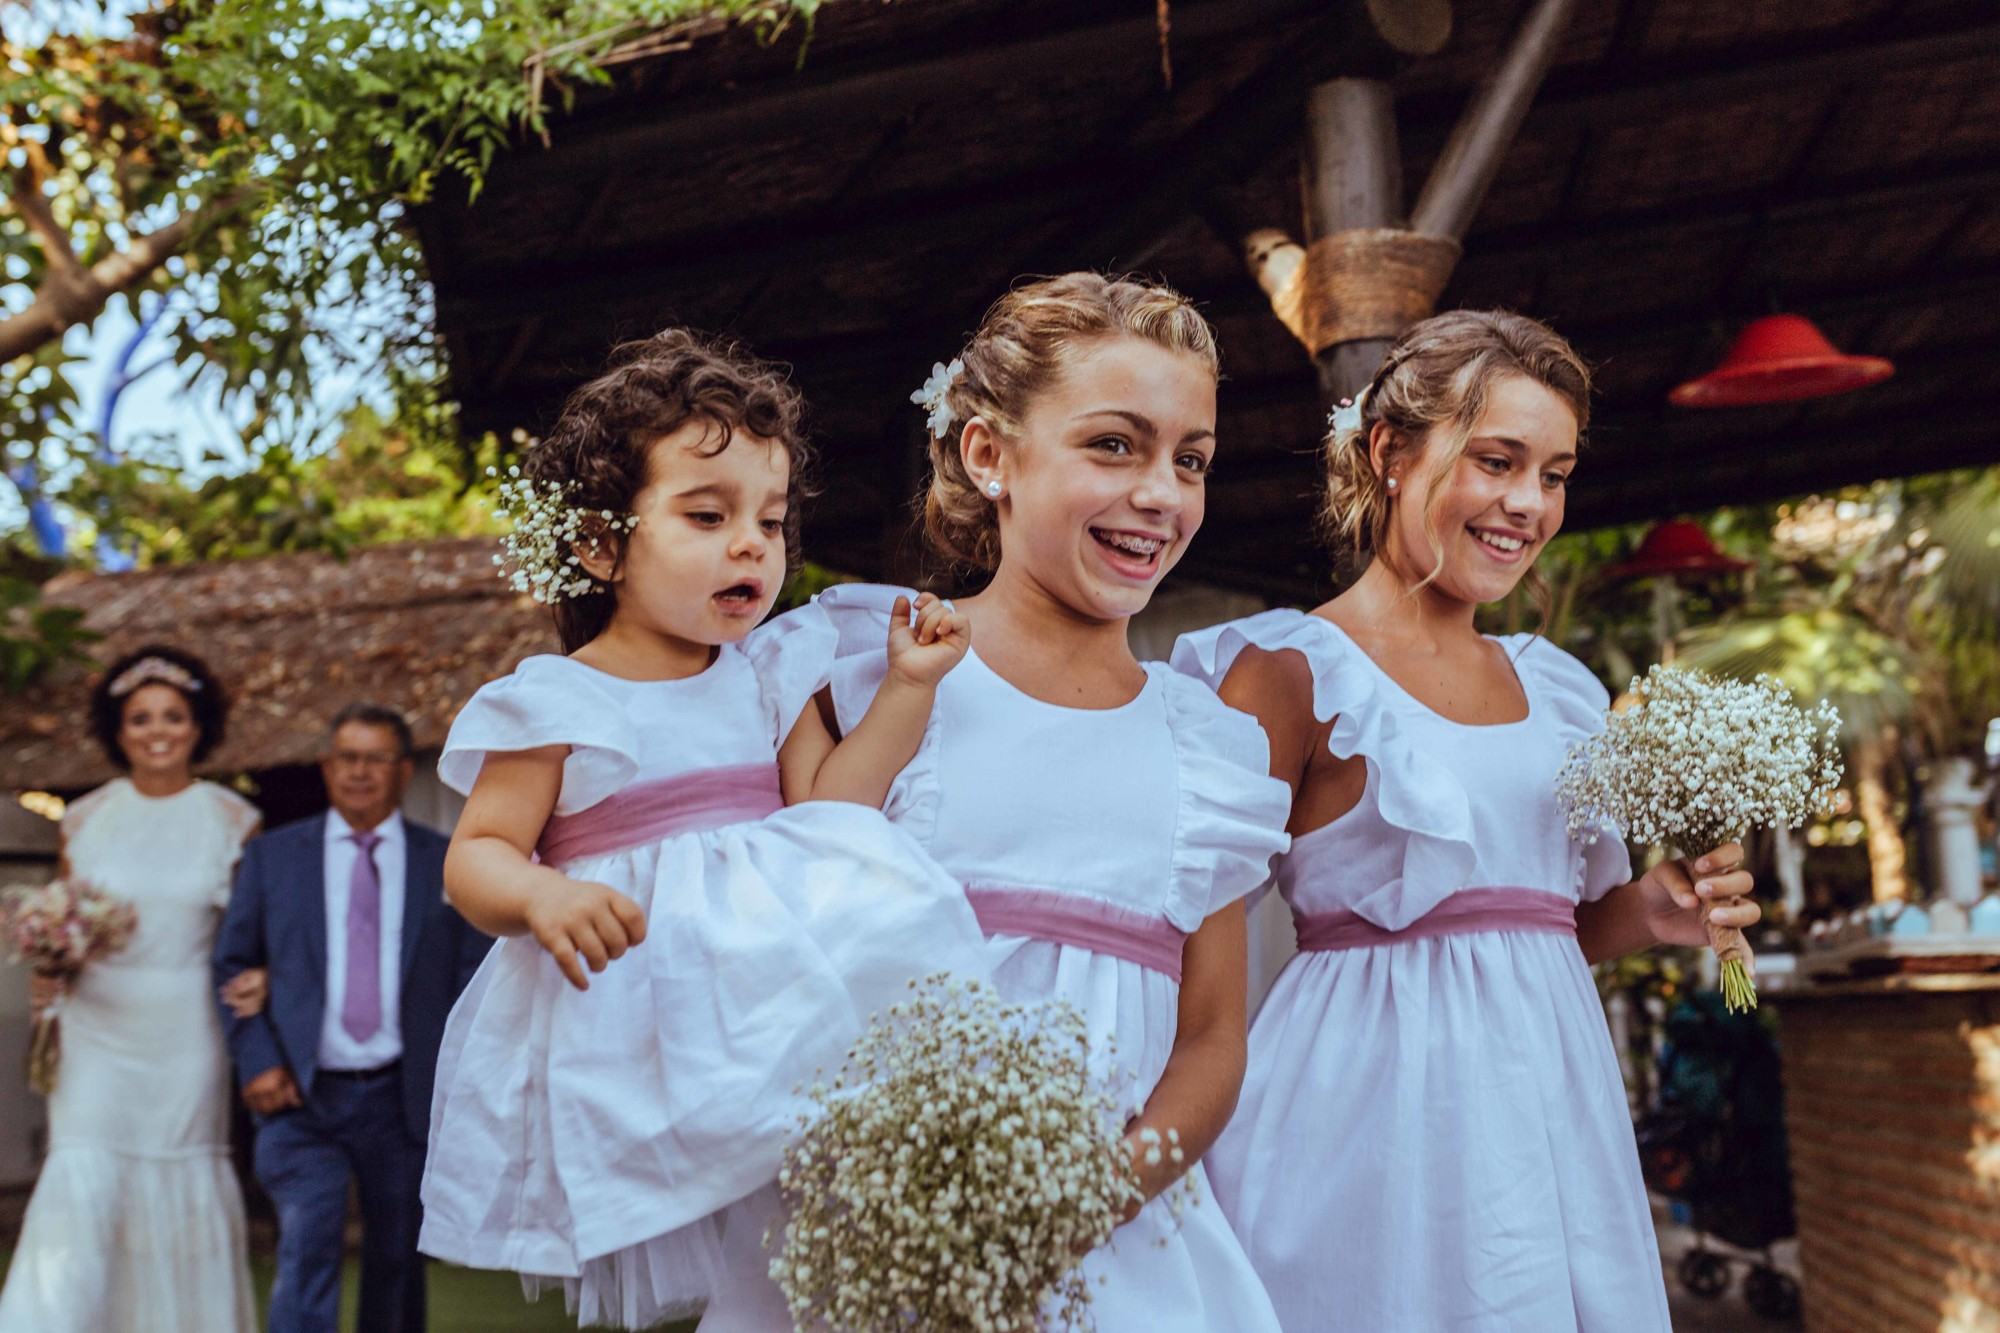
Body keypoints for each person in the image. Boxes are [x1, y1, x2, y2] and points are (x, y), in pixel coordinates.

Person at [700, 273, 1294, 1331]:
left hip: (1116, 1254)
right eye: (1113, 444)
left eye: (1189, 459)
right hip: (877, 1232)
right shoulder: (857, 669)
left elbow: (1211, 1036)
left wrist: (1072, 1206)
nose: (1160, 492)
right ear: (989, 455)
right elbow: (786, 955)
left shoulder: (1206, 751)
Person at [1173, 309, 1763, 1331]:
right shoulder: (1287, 672)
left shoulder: (1559, 690)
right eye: (1497, 460)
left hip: (1552, 1114)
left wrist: (1644, 912)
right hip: (1365, 1119)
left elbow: (1543, 936)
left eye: (1554, 472)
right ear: (1389, 452)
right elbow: (1184, 926)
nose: (1528, 503)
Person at [420, 328, 990, 1329]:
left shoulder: (767, 676)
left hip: (776, 1004)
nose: (750, 546)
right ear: (601, 543)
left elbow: (833, 812)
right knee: (697, 1263)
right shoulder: (556, 700)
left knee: (800, 1260)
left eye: (769, 522)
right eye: (706, 514)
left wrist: (905, 690)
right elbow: (474, 861)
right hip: (641, 1025)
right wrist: (542, 891)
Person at [0, 646, 260, 1333]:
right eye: (140, 717)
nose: (157, 730)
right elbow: (64, 916)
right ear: (117, 730)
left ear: (198, 724)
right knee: (82, 1166)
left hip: (186, 1029)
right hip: (93, 1030)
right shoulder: (84, 820)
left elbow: (253, 935)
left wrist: (262, 975)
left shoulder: (233, 820)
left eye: (173, 715)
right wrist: (51, 958)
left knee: (182, 1169)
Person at [212, 702, 489, 1333]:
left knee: (397, 1261)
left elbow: (473, 976)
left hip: (403, 1097)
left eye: (376, 759)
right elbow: (232, 966)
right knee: (307, 1245)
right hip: (302, 1096)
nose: (359, 772)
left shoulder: (446, 861)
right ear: (325, 767)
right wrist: (258, 1062)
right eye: (347, 758)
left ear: (400, 772)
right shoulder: (273, 859)